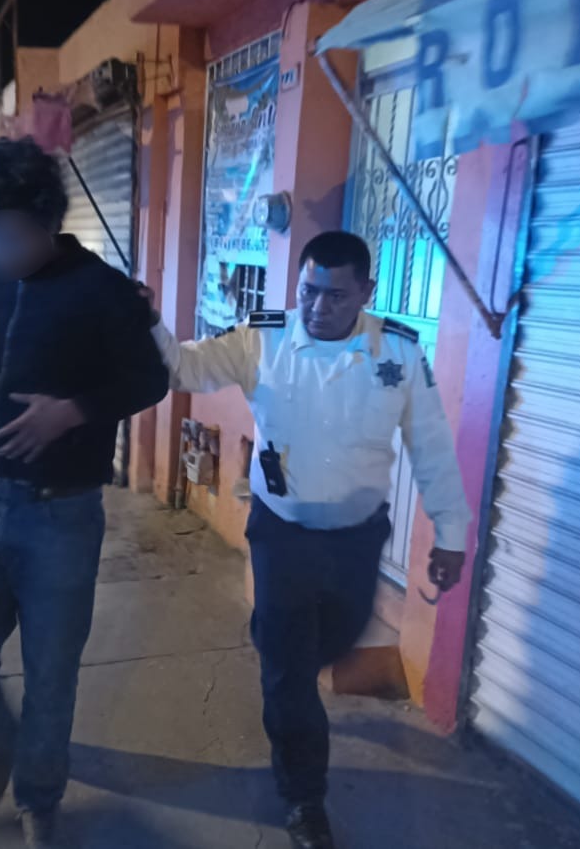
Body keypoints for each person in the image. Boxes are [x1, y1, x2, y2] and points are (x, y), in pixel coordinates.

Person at [145, 231, 471, 849]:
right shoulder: (261, 340)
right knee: (292, 675)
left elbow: (431, 447)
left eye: (336, 295)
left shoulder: (398, 352)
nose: (318, 306)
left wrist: (451, 535)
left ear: (366, 292)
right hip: (283, 536)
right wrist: (150, 322)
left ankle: (278, 642)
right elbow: (184, 367)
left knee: (337, 640)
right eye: (308, 291)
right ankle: (303, 797)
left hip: (356, 540)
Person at [0, 138, 169, 848]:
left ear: (44, 222)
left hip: (61, 513)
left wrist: (71, 412)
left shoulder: (101, 290)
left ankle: (39, 798)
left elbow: (149, 380)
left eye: (5, 232)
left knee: (51, 675)